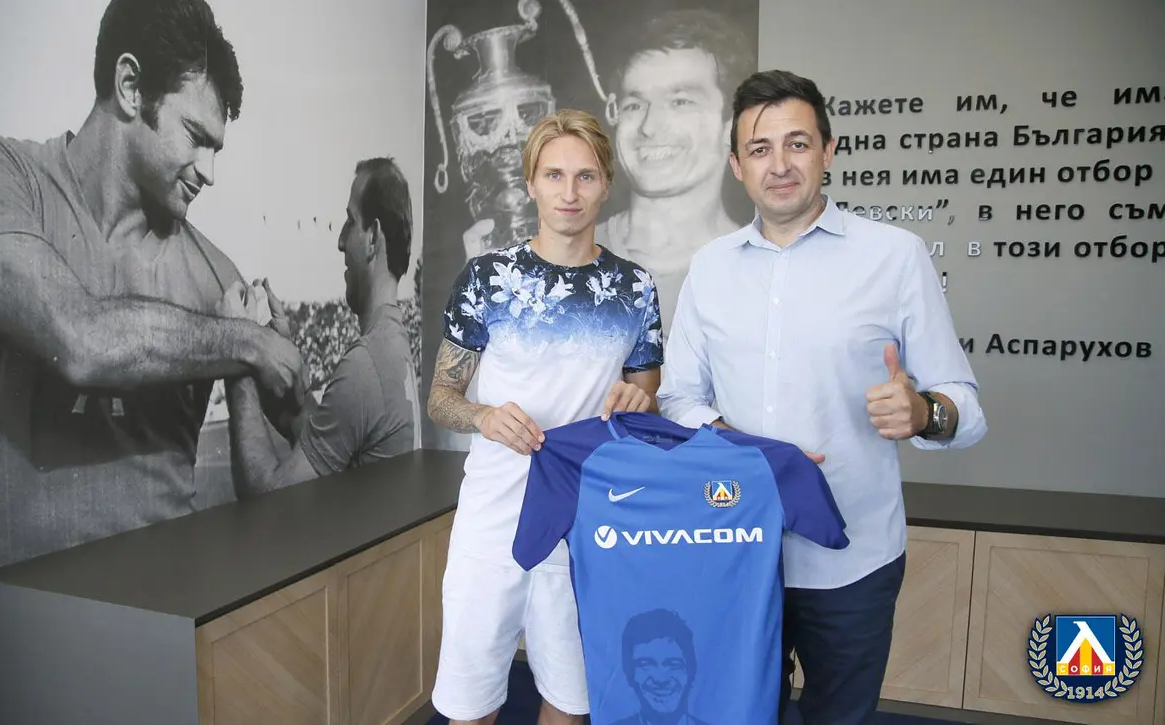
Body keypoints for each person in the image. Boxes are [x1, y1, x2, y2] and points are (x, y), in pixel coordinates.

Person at [656, 70, 987, 725]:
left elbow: (966, 409)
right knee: (737, 715)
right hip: (736, 550)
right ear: (737, 166)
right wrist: (743, 447)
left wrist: (924, 412)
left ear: (828, 151)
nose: (779, 165)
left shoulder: (895, 256)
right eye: (759, 149)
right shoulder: (711, 267)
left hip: (854, 560)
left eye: (798, 144)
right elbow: (677, 397)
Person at [0, 0, 305, 572]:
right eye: (195, 136)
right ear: (129, 86)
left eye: (217, 149)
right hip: (18, 615)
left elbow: (293, 472)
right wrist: (246, 343)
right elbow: (80, 340)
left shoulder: (219, 281)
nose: (209, 171)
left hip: (164, 609)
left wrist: (274, 380)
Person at [427, 108, 664, 725]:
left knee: (572, 700)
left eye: (585, 176)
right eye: (554, 175)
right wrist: (483, 416)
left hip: (587, 523)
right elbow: (441, 398)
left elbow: (646, 399)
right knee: (469, 705)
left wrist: (638, 401)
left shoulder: (635, 289)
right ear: (530, 182)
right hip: (494, 517)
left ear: (606, 184)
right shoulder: (486, 279)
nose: (569, 192)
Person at [226, 158, 421, 494]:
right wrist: (282, 353)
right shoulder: (392, 344)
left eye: (350, 221)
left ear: (373, 238)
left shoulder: (366, 365)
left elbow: (265, 501)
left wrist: (239, 349)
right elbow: (327, 439)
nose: (341, 241)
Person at [596, 9, 756, 335]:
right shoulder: (561, 259)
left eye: (681, 102)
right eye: (634, 105)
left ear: (733, 124)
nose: (650, 127)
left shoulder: (764, 274)